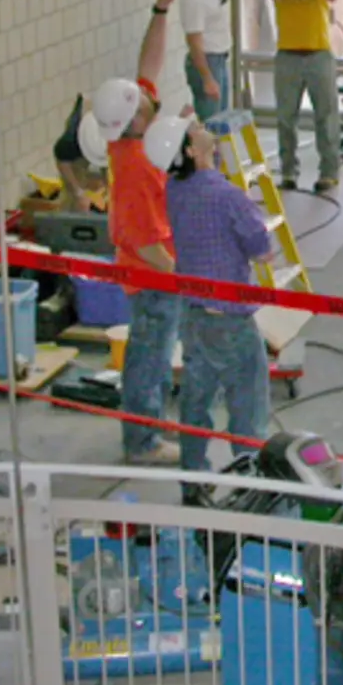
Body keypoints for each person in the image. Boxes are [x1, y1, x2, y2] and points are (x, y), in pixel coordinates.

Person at [144, 115, 275, 481]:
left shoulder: (175, 189)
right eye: (194, 131)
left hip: (194, 313)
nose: (200, 127)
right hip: (230, 318)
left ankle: (194, 479)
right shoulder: (227, 196)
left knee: (196, 400)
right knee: (247, 404)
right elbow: (263, 251)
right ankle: (252, 483)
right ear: (190, 150)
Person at [94, 0, 188, 466]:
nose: (151, 97)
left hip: (157, 266)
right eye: (144, 102)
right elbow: (149, 243)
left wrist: (161, 8)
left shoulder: (137, 124)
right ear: (134, 122)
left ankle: (151, 429)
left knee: (154, 350)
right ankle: (142, 443)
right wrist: (188, 279)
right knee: (149, 354)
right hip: (152, 276)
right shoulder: (133, 167)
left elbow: (146, 63)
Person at [265, 0, 343, 195]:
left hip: (319, 52)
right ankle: (288, 170)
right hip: (288, 54)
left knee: (326, 114)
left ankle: (329, 172)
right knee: (286, 117)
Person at [178, 0, 252, 123]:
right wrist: (208, 79)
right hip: (207, 62)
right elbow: (194, 42)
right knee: (212, 121)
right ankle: (209, 153)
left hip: (219, 58)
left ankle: (220, 152)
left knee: (222, 118)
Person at [51, 94, 108, 211]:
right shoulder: (69, 142)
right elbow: (62, 163)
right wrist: (78, 192)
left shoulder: (111, 131)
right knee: (73, 194)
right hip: (72, 152)